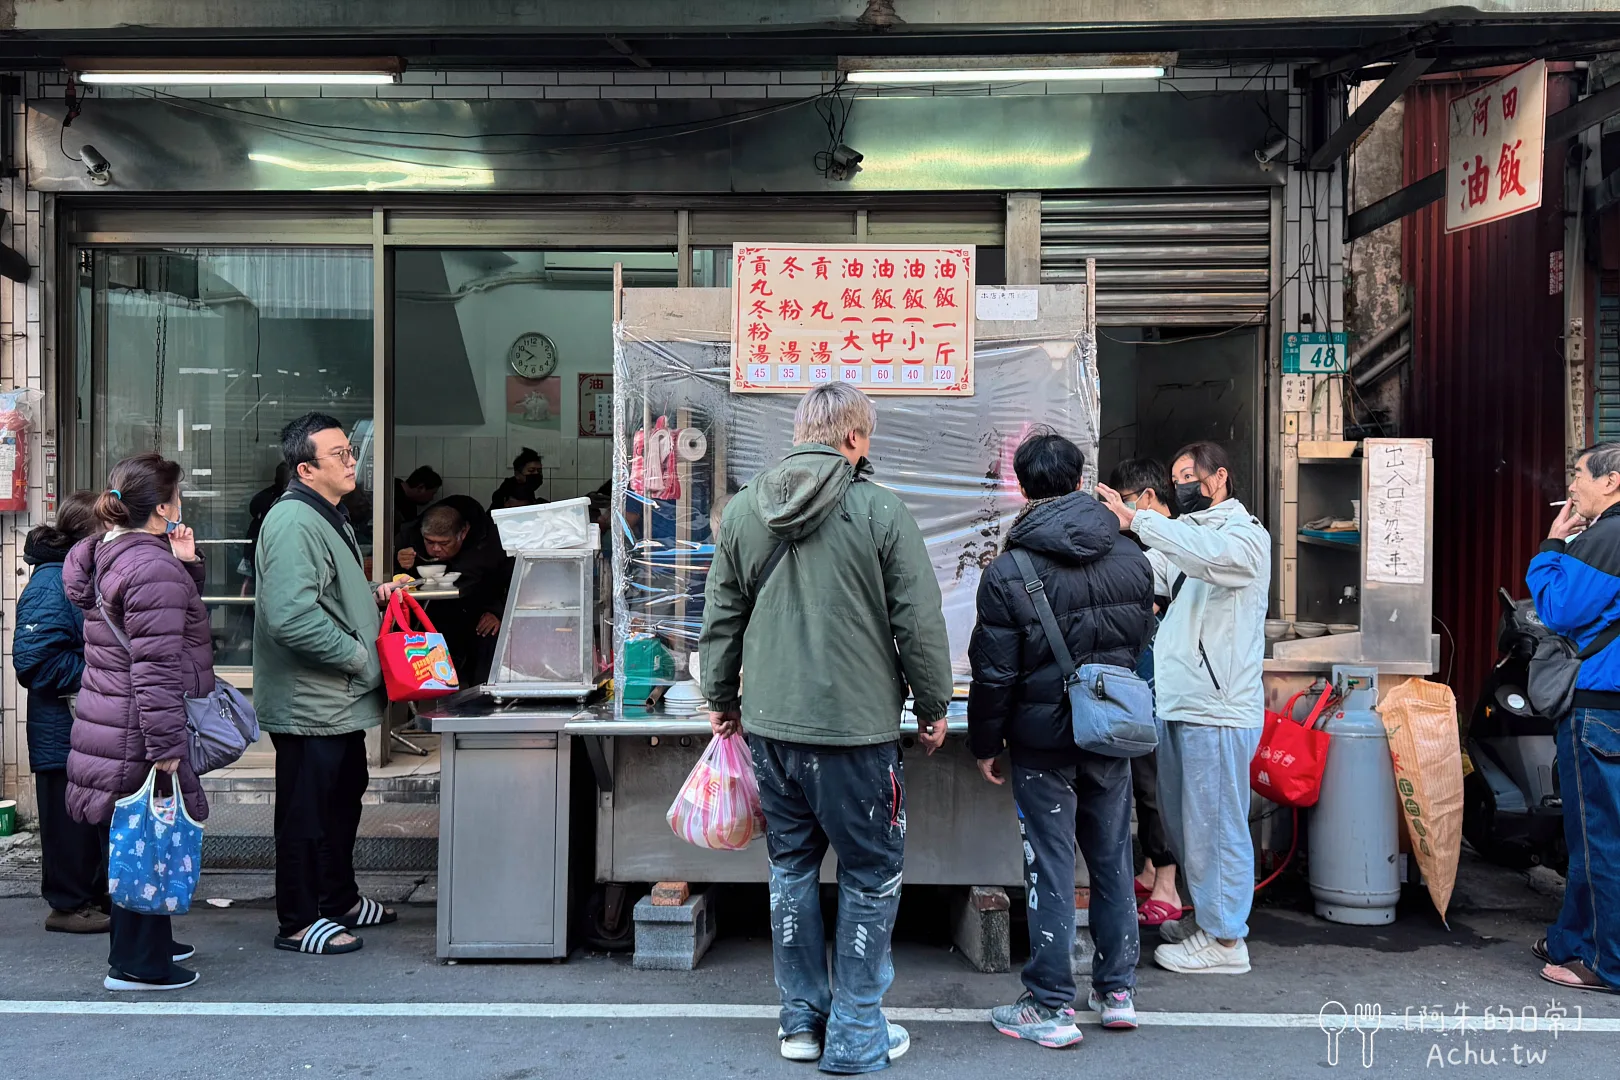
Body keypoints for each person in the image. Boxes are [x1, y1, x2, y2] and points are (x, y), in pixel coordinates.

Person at [699, 383, 952, 1072]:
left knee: (790, 869)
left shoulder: (748, 508)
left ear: (799, 433)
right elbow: (919, 625)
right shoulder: (879, 510)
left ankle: (801, 1024)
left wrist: (719, 696)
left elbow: (721, 613)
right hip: (857, 735)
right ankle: (856, 1033)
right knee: (871, 877)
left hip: (773, 732)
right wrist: (935, 707)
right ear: (856, 439)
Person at [969, 431, 1155, 1046]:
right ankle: (1118, 990)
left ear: (1023, 487)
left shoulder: (1010, 570)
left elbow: (994, 674)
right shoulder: (1131, 556)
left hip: (1044, 745)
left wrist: (986, 744)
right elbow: (1137, 643)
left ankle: (1050, 1004)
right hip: (1111, 735)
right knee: (1111, 861)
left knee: (1049, 866)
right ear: (1080, 480)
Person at [1097, 440, 1270, 976]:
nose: (1181, 488)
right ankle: (1210, 922)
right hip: (1184, 704)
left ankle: (1224, 942)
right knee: (1191, 825)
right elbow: (1158, 572)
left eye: (1188, 477)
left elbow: (1209, 559)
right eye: (1176, 480)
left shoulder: (1245, 536)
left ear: (1219, 478)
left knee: (1215, 829)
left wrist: (1138, 522)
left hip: (1216, 710)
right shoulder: (1195, 536)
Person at [62, 455, 215, 990]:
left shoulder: (107, 551)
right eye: (178, 497)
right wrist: (167, 742)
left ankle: (147, 946)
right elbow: (156, 665)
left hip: (110, 718)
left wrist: (187, 565)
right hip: (138, 725)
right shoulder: (151, 567)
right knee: (148, 838)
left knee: (138, 835)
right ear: (164, 508)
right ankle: (137, 964)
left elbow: (158, 621)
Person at [254, 413, 403, 956]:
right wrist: (361, 659)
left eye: (349, 450)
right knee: (306, 814)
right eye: (338, 454)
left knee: (342, 802)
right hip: (311, 701)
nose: (351, 460)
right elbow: (291, 617)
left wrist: (373, 594)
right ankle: (297, 920)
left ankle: (337, 898)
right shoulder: (294, 520)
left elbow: (328, 593)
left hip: (337, 701)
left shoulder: (327, 513)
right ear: (305, 468)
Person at [1526, 442, 1620, 994]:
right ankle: (1572, 940)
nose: (1572, 486)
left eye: (1579, 475)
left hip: (1602, 707)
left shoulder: (1607, 537)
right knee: (1594, 834)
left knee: (1598, 838)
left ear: (1612, 481)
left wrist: (1552, 545)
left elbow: (1558, 610)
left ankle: (1607, 965)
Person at [13, 492, 107, 934]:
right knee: (67, 824)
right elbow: (34, 661)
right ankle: (68, 906)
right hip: (62, 730)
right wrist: (102, 670)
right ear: (89, 535)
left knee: (86, 822)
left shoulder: (82, 576)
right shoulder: (53, 580)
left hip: (85, 727)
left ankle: (87, 897)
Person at [1107, 457, 1189, 928]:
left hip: (1165, 684)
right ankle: (1150, 867)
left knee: (1155, 783)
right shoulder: (1154, 546)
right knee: (1143, 778)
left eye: (1126, 503)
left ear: (1148, 500)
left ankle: (1168, 886)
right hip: (1147, 679)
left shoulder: (1172, 548)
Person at [396, 502, 514, 687]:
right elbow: (393, 578)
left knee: (488, 641)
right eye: (429, 541)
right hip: (432, 615)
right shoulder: (410, 537)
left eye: (444, 543)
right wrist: (399, 560)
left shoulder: (490, 543)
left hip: (480, 611)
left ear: (463, 533)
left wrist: (500, 613)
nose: (435, 549)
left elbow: (513, 581)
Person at [394, 466, 441, 532]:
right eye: (432, 493)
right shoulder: (388, 490)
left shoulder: (410, 506)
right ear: (421, 488)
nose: (431, 498)